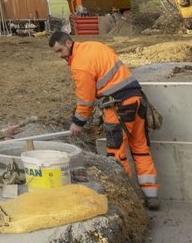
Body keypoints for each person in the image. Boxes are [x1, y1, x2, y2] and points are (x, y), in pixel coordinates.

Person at [49, 30, 159, 210]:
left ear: (68, 44)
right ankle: (151, 196)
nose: (59, 56)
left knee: (116, 154)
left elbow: (85, 100)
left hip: (118, 107)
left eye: (59, 51)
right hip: (137, 100)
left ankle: (127, 202)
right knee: (140, 148)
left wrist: (78, 123)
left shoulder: (79, 65)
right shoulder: (94, 46)